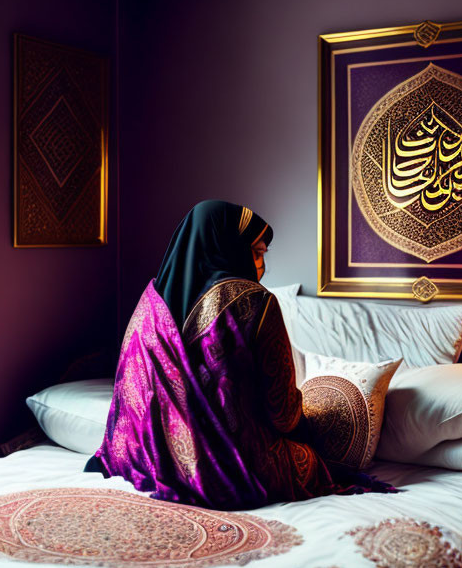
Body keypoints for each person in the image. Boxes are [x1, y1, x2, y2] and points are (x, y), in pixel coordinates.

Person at [86, 200, 382, 510]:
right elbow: (282, 413)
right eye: (257, 252)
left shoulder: (150, 305)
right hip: (233, 468)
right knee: (311, 460)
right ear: (229, 248)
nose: (261, 266)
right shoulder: (257, 301)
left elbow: (129, 397)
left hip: (152, 461)